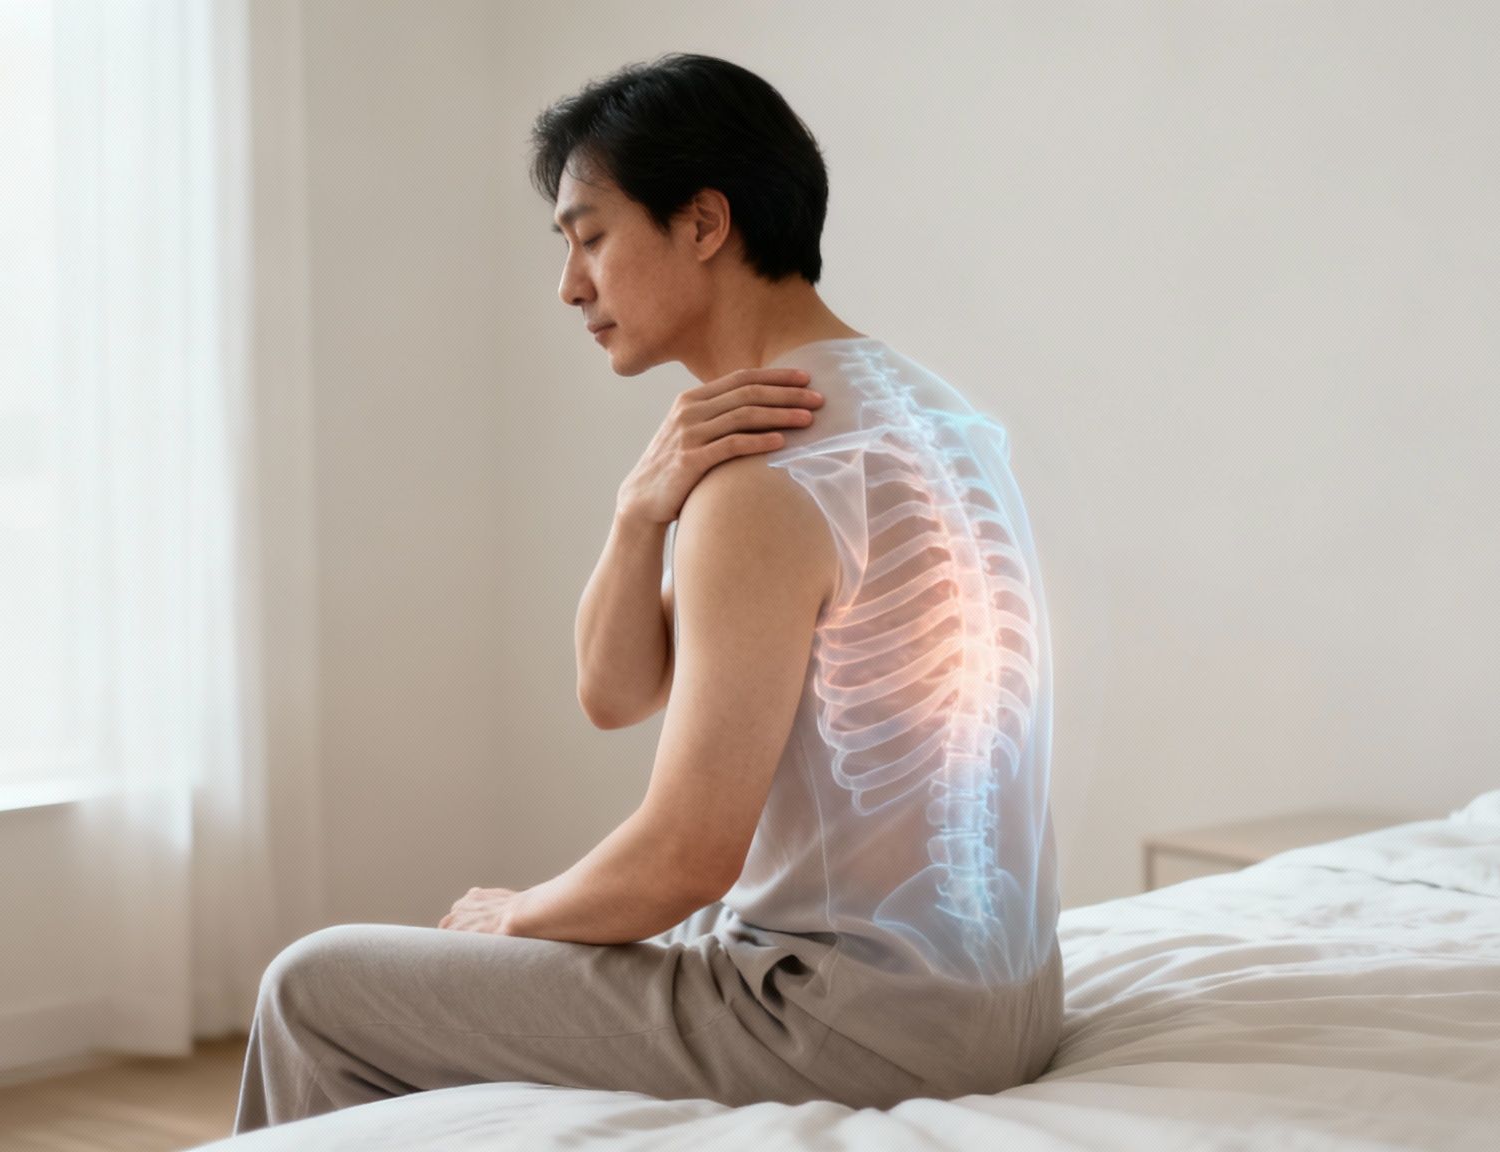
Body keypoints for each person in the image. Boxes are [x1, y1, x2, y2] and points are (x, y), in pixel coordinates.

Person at [232, 51, 1062, 1134]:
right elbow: (615, 692)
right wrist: (638, 514)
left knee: (314, 987)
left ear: (703, 223)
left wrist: (515, 917)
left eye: (590, 237)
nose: (570, 286)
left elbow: (685, 858)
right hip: (1010, 1002)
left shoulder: (767, 480)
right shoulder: (944, 418)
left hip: (844, 1020)